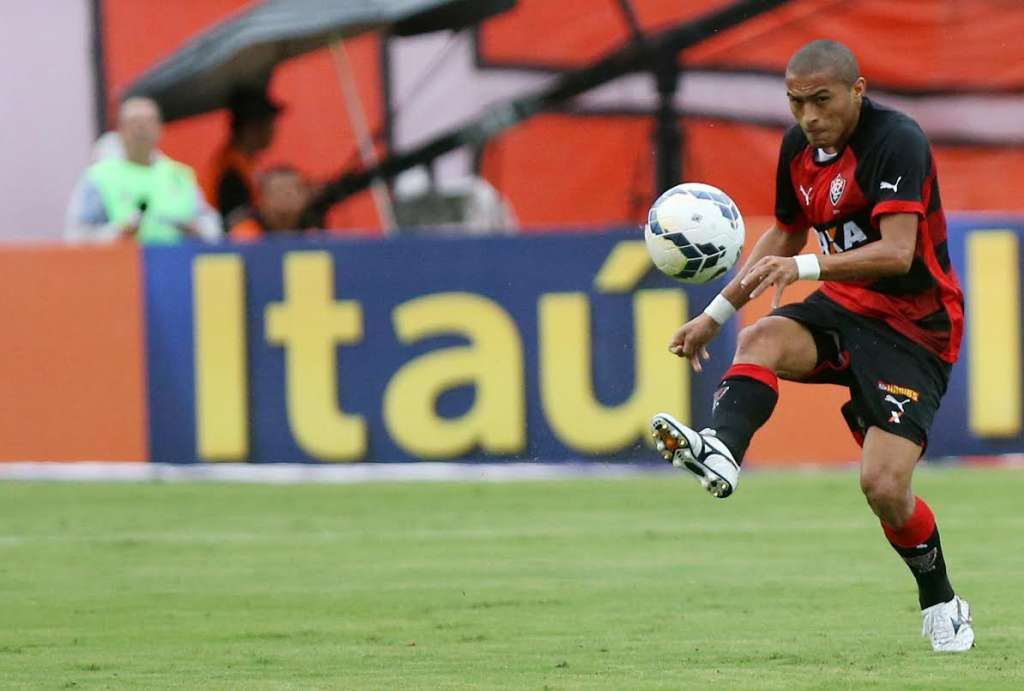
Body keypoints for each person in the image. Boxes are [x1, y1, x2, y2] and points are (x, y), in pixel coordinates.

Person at [649, 40, 972, 652]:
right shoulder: (798, 147)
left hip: (913, 328)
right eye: (796, 103)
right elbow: (786, 229)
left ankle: (942, 599)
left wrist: (803, 268)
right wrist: (715, 315)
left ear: (857, 89)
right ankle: (723, 450)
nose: (809, 117)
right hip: (845, 305)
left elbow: (897, 252)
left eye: (821, 101)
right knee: (761, 336)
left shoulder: (896, 139)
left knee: (883, 487)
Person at [65, 97, 221, 244]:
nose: (142, 128)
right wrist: (117, 233)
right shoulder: (99, 177)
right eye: (134, 122)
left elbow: (213, 229)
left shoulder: (179, 176)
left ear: (160, 128)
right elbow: (77, 236)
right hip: (124, 267)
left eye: (148, 122)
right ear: (120, 130)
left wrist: (196, 229)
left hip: (177, 265)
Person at [202, 88, 283, 226]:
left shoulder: (246, 161)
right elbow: (234, 221)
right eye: (269, 123)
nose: (275, 130)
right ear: (250, 128)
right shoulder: (231, 169)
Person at [228, 166, 314, 241]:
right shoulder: (243, 234)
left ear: (306, 196)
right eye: (277, 192)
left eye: (290, 192)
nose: (284, 199)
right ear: (261, 198)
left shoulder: (317, 233)